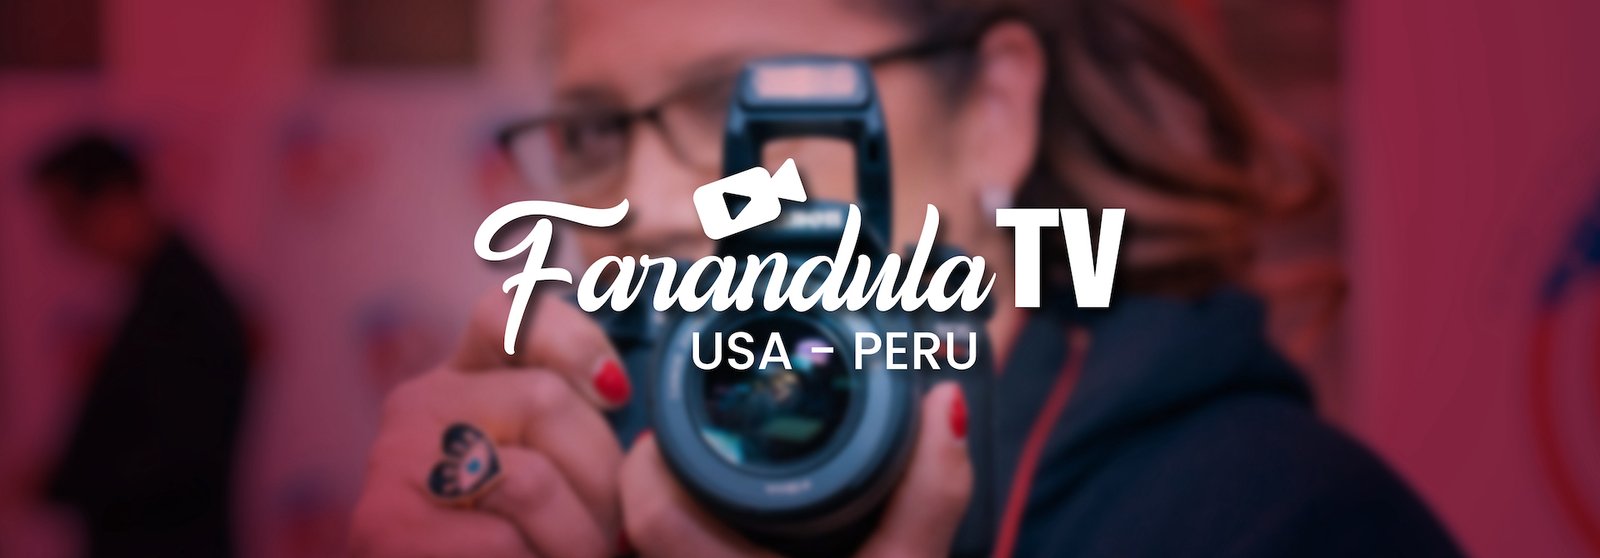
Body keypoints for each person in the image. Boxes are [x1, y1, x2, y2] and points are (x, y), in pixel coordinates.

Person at [352, 0, 1463, 556]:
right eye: (595, 133)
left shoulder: (1279, 523)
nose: (643, 200)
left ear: (994, 112)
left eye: (735, 105)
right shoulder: (586, 500)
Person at [32, 132, 252, 557]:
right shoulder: (163, 293)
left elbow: (178, 456)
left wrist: (65, 479)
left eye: (68, 217)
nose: (65, 238)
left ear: (115, 199)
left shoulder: (182, 305)